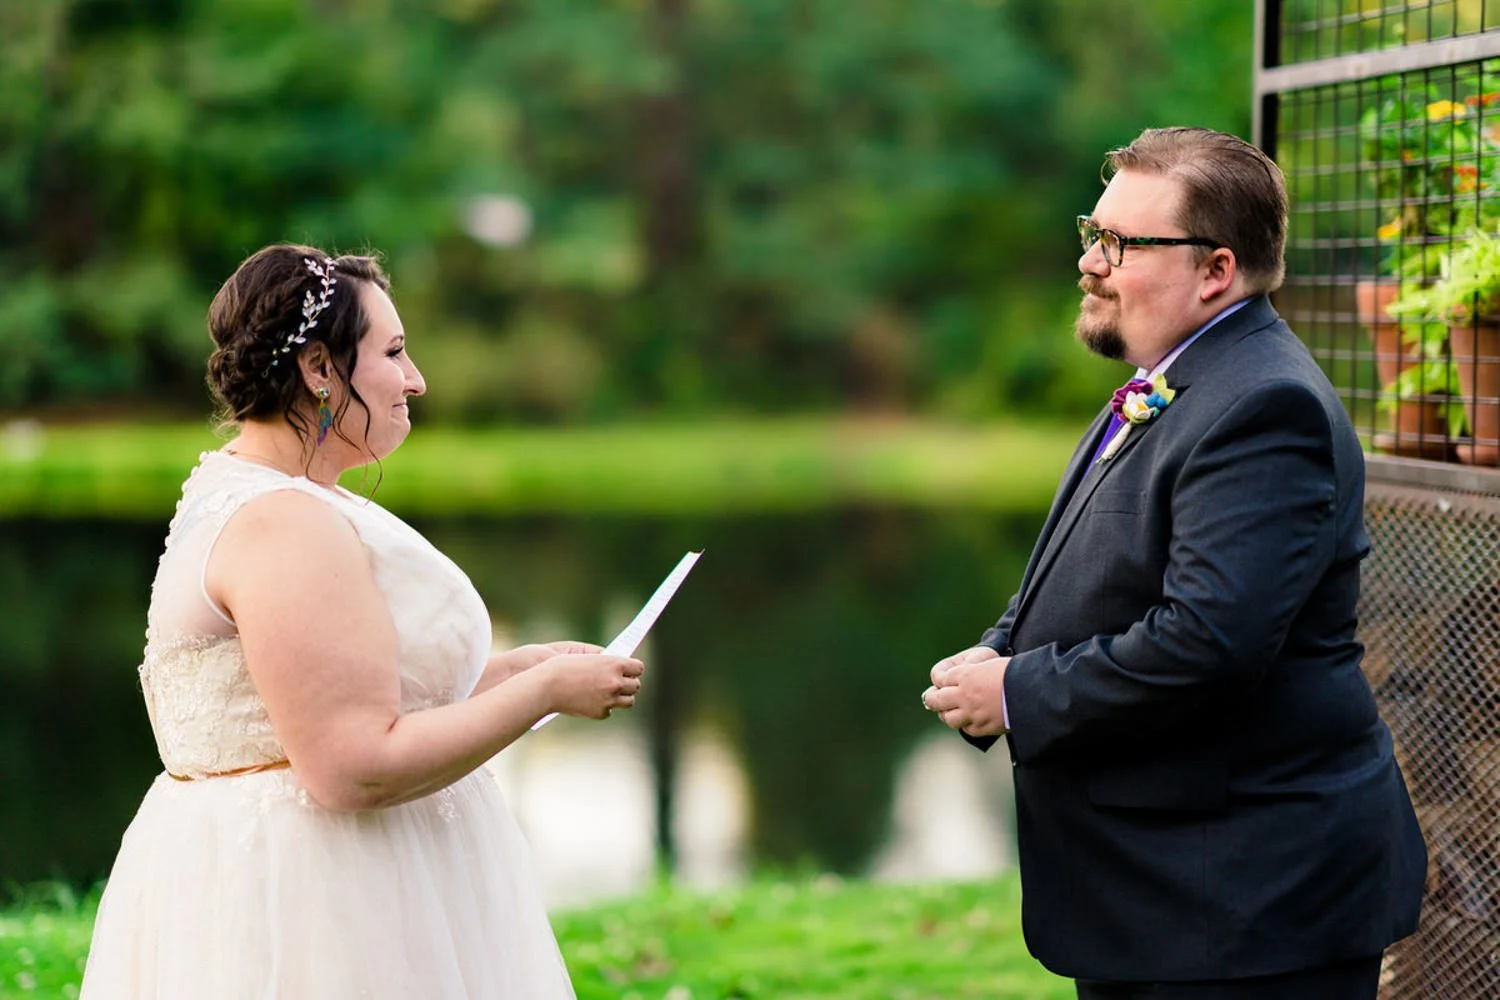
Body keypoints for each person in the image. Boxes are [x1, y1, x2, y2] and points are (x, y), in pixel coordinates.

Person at [921, 128, 1427, 999]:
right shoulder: (1182, 378)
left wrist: (1017, 692)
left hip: (1246, 909)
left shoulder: (1265, 406)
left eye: (1120, 243)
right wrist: (998, 648)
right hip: (1168, 901)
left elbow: (1208, 641)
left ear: (1216, 271)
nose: (1090, 261)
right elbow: (1094, 554)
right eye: (1093, 231)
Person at [80, 244, 644, 999]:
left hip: (340, 872)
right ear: (319, 370)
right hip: (318, 897)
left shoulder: (281, 493)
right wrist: (543, 697)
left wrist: (524, 667)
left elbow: (350, 688)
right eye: (395, 352)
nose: (416, 379)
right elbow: (351, 764)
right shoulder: (282, 524)